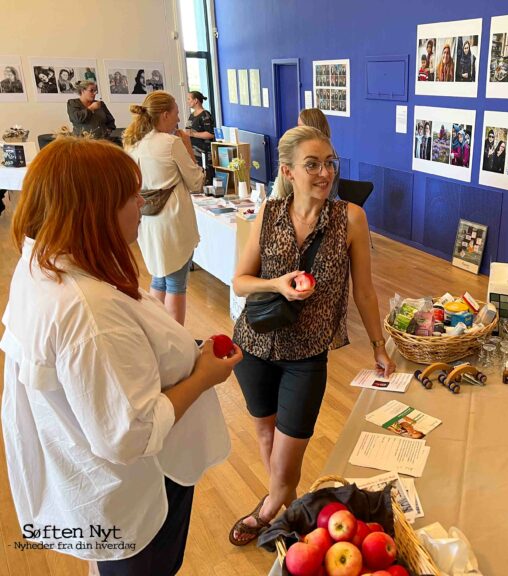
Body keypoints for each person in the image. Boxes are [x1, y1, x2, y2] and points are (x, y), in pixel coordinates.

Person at [2, 136, 241, 576]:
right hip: (135, 494)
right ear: (94, 210)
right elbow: (129, 433)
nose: (141, 203)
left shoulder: (40, 265)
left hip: (95, 487)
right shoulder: (88, 310)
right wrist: (204, 376)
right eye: (131, 196)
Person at [228, 126, 396, 545]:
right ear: (288, 170)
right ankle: (287, 511)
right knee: (266, 435)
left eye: (330, 163)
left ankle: (266, 513)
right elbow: (240, 282)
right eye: (313, 164)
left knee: (287, 462)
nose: (325, 173)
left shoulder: (350, 218)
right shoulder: (268, 213)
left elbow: (364, 291)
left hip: (306, 356)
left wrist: (379, 345)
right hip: (253, 344)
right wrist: (278, 284)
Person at [123, 91, 204, 326]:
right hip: (173, 220)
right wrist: (188, 146)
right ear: (165, 114)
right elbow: (196, 182)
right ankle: (177, 341)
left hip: (148, 220)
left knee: (159, 278)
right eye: (177, 113)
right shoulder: (171, 143)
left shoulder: (132, 143)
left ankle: (156, 332)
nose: (179, 119)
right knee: (177, 283)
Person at [185, 90, 215, 184]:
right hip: (193, 152)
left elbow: (211, 134)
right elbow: (188, 130)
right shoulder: (192, 115)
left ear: (196, 100)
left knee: (206, 177)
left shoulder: (205, 115)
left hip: (204, 153)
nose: (187, 101)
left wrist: (194, 134)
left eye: (189, 99)